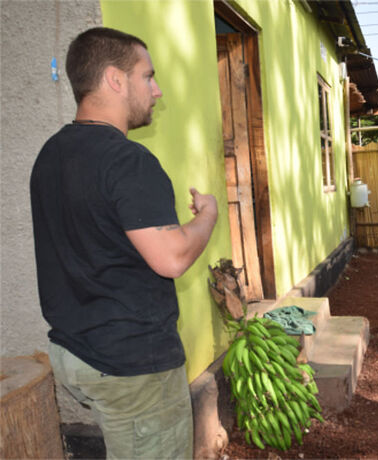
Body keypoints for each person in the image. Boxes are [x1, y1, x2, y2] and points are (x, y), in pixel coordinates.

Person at [30, 27, 218, 459]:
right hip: (132, 368)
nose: (157, 89)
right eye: (147, 76)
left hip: (76, 354)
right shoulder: (127, 159)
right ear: (115, 79)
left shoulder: (50, 155)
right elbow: (171, 258)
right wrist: (208, 215)